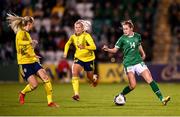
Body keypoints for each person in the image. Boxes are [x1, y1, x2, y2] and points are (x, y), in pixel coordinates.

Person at [102, 20, 170, 105]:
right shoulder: (122, 38)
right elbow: (115, 50)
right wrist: (108, 49)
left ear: (131, 28)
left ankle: (162, 99)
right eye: (123, 29)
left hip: (138, 61)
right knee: (133, 86)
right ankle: (121, 95)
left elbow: (139, 45)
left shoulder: (138, 36)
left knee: (150, 79)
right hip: (128, 63)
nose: (124, 31)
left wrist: (143, 53)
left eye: (126, 29)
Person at [6, 13, 59, 107]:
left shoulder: (27, 34)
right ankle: (22, 93)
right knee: (34, 85)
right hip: (24, 63)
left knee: (45, 78)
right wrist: (31, 42)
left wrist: (34, 54)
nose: (33, 26)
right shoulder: (20, 33)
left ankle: (50, 102)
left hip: (33, 60)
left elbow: (29, 48)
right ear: (29, 24)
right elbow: (20, 43)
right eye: (32, 24)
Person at [64, 19, 98, 101]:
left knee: (89, 78)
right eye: (76, 27)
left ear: (83, 29)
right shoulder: (73, 36)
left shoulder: (87, 36)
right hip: (78, 58)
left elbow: (94, 47)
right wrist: (65, 53)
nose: (77, 29)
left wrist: (84, 47)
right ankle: (76, 94)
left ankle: (94, 78)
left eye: (79, 27)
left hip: (89, 59)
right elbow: (68, 43)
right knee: (74, 72)